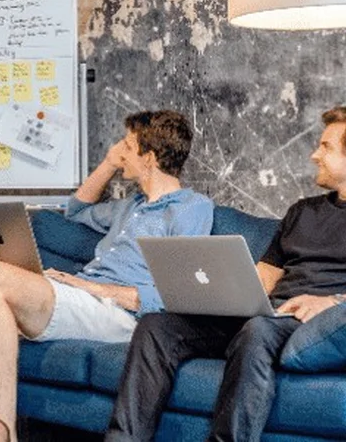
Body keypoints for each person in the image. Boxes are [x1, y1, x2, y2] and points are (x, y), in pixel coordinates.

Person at [0, 110, 214, 439]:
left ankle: (2, 431)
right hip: (80, 297)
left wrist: (95, 288)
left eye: (127, 146)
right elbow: (76, 210)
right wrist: (109, 165)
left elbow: (178, 292)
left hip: (119, 313)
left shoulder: (190, 208)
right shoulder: (129, 206)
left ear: (150, 157)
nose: (118, 150)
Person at [106, 106, 346, 441]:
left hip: (308, 322)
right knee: (157, 325)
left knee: (257, 330)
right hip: (270, 313)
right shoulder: (302, 212)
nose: (314, 155)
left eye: (326, 147)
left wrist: (333, 301)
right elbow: (264, 279)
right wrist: (222, 293)